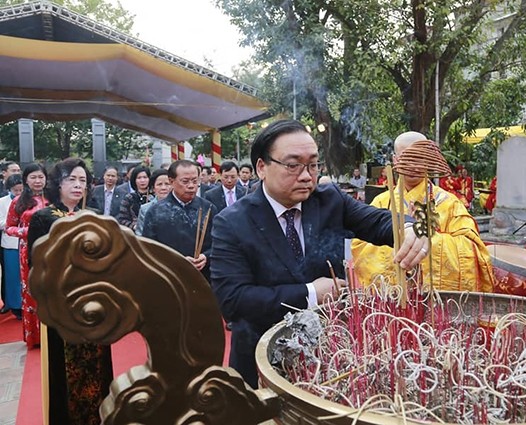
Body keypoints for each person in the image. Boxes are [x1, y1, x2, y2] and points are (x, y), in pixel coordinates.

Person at [210, 120, 428, 388]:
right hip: (263, 360)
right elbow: (233, 300)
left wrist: (411, 228)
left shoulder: (329, 199)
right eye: (293, 165)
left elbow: (379, 221)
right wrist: (311, 293)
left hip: (326, 356)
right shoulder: (232, 222)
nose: (306, 176)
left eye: (313, 165)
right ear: (262, 167)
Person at [351, 131, 494, 293]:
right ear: (395, 160)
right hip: (393, 302)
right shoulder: (382, 203)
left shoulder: (449, 203)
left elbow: (472, 251)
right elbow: (360, 246)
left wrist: (426, 238)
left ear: (428, 159)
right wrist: (399, 237)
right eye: (406, 158)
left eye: (418, 158)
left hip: (436, 305)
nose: (412, 165)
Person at [27, 158, 113, 425]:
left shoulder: (96, 216)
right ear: (58, 184)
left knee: (98, 363)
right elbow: (36, 264)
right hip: (62, 305)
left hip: (94, 301)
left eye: (83, 181)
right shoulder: (43, 218)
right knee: (65, 369)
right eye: (71, 180)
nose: (78, 185)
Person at [142, 160, 217, 282]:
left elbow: (220, 243)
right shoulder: (156, 211)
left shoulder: (208, 208)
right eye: (185, 181)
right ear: (171, 181)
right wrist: (177, 261)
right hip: (170, 279)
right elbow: (148, 249)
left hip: (203, 278)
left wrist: (206, 256)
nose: (191, 186)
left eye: (195, 181)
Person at [4, 164, 49, 346]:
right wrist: (28, 231)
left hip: (52, 249)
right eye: (33, 177)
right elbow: (9, 228)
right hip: (28, 251)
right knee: (31, 293)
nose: (37, 181)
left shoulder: (53, 199)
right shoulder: (18, 202)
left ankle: (53, 334)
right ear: (26, 180)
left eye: (40, 177)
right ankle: (35, 337)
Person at [0, 174, 23, 318]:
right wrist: (14, 223)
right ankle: (14, 305)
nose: (19, 193)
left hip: (27, 242)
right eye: (16, 190)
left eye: (21, 190)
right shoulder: (2, 202)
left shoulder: (30, 200)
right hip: (10, 243)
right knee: (12, 276)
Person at [135, 169, 171, 236]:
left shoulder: (180, 206)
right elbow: (140, 235)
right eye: (159, 184)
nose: (163, 188)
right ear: (153, 188)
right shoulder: (145, 209)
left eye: (167, 184)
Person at [117, 165, 152, 231]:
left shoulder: (154, 197)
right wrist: (134, 226)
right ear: (134, 180)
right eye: (139, 178)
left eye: (145, 177)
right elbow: (121, 219)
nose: (142, 180)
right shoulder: (129, 198)